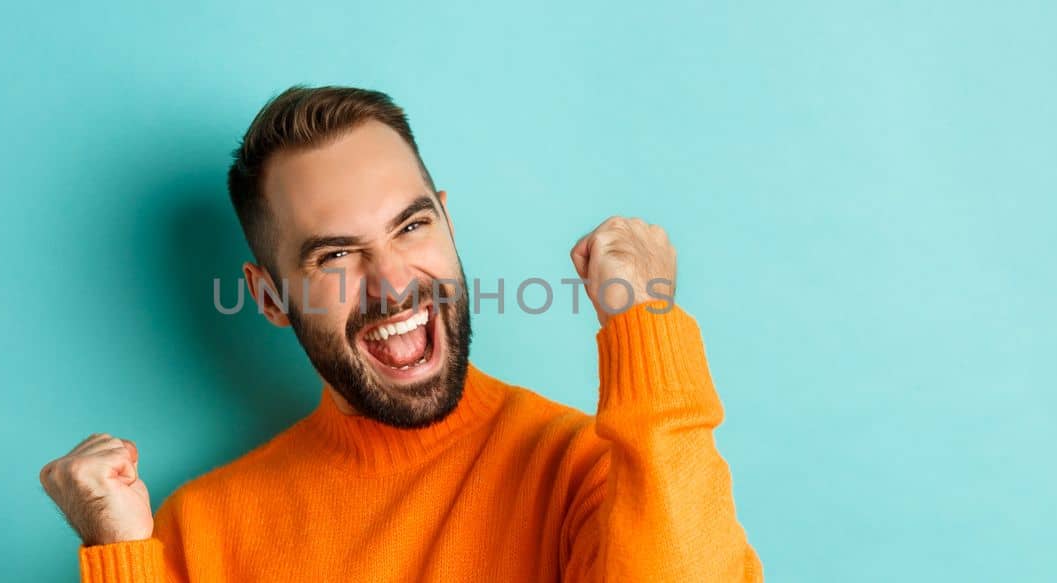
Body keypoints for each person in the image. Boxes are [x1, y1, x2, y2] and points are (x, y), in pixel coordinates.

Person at [38, 85, 762, 582]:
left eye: (412, 225)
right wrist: (122, 554)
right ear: (269, 297)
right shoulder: (199, 532)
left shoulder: (585, 473)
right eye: (336, 255)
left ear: (447, 221)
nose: (393, 283)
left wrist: (645, 322)